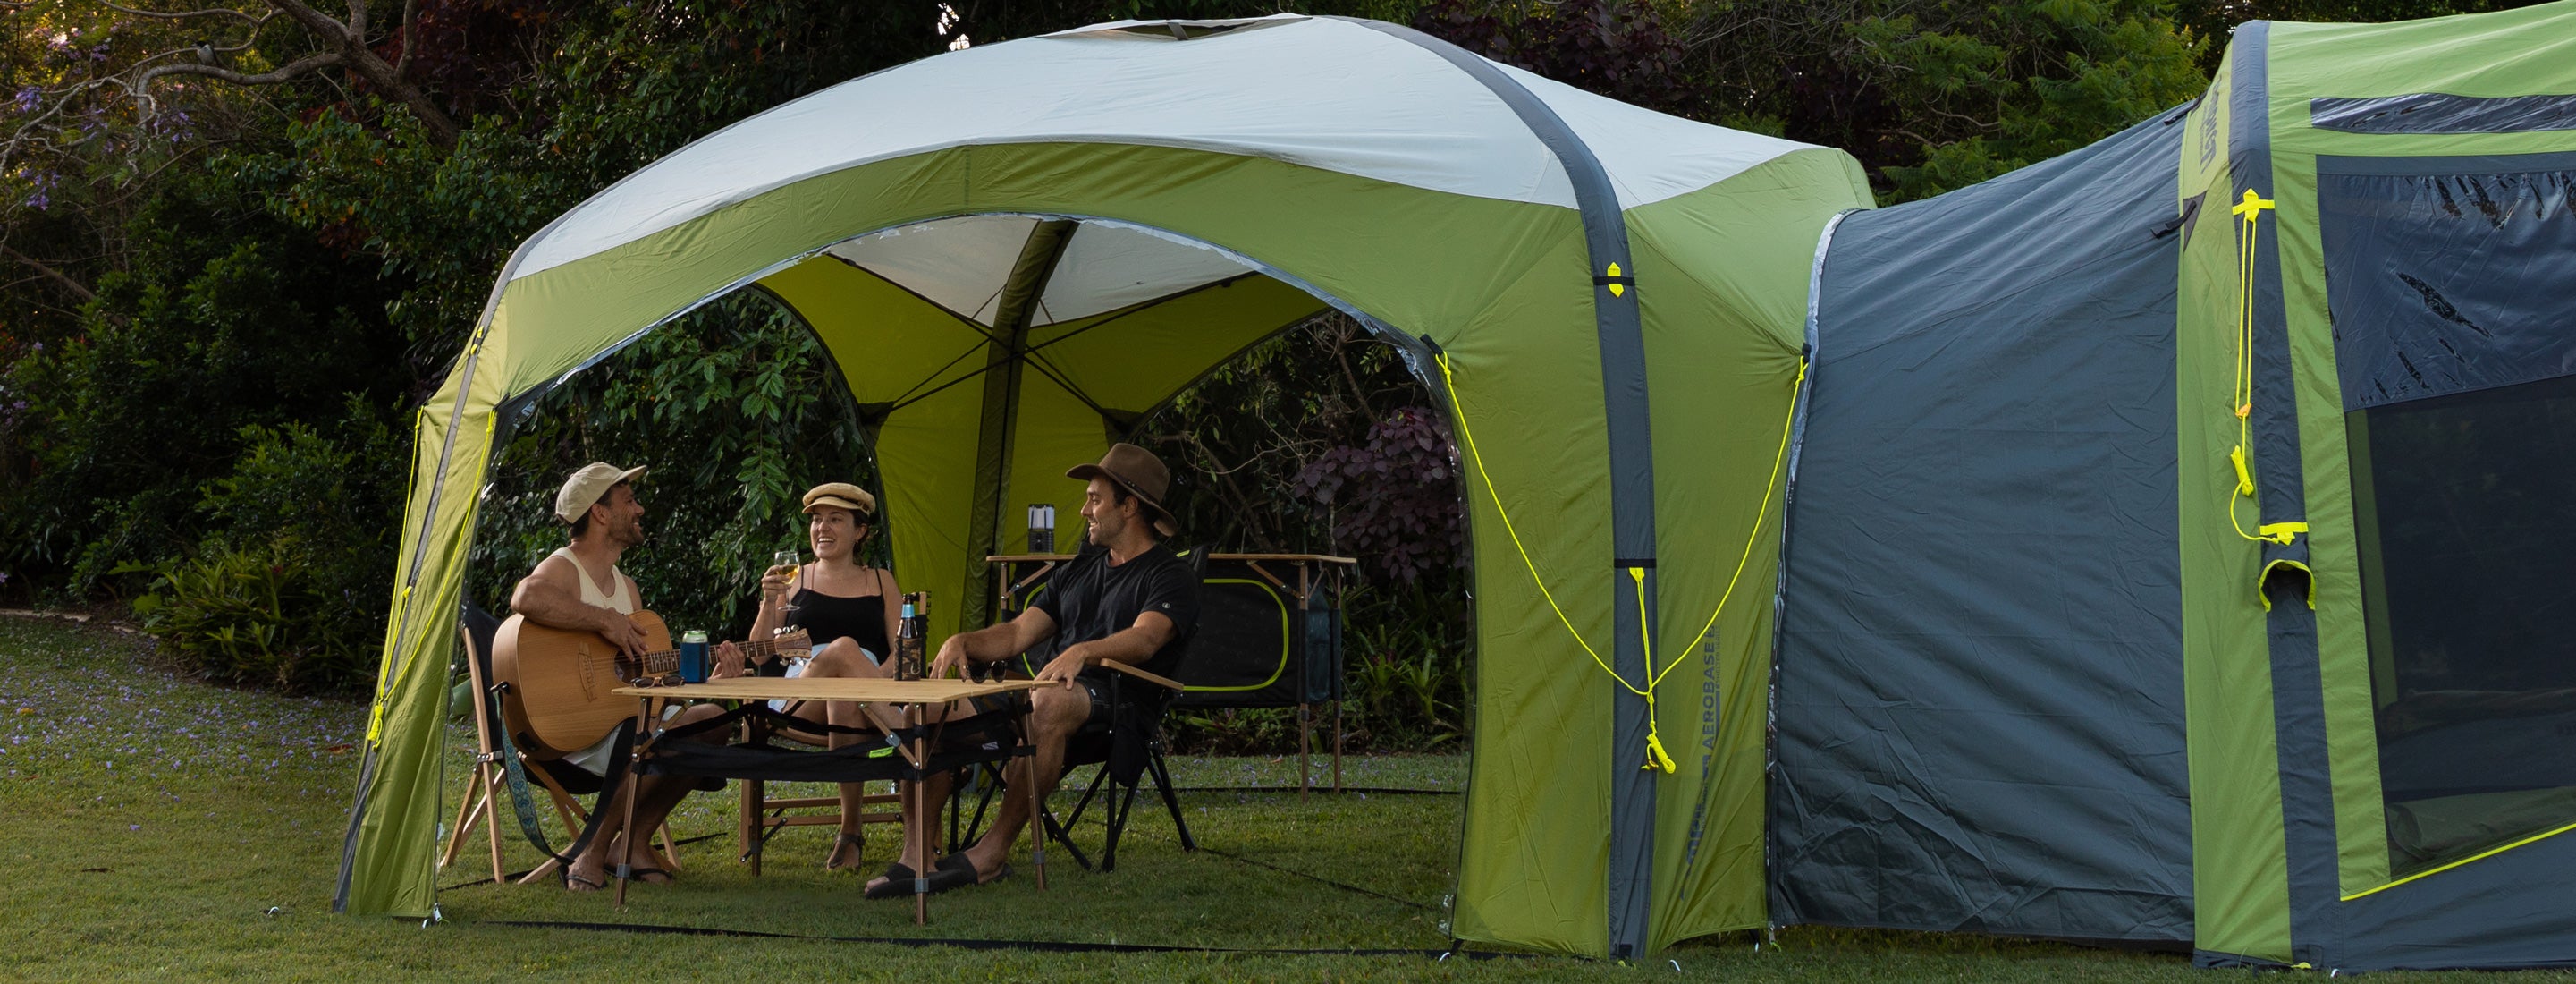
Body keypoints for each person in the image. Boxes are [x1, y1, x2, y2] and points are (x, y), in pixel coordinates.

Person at [907, 442, 1200, 895]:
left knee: (1049, 701)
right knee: (934, 707)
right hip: (1045, 692)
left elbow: (1148, 638)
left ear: (1130, 506)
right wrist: (963, 640)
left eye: (1095, 499)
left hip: (1116, 702)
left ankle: (992, 853)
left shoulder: (1168, 576)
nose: (1084, 510)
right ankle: (920, 855)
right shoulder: (1079, 571)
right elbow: (1019, 633)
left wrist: (1084, 651)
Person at [508, 462, 739, 891]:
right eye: (629, 500)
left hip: (622, 725)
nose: (641, 509)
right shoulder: (566, 568)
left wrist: (711, 682)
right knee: (643, 732)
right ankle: (592, 851)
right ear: (599, 512)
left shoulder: (626, 587)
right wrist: (603, 620)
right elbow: (526, 595)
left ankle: (632, 843)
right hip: (572, 736)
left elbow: (645, 682)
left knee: (711, 719)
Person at [715, 481, 907, 871]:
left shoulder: (881, 581)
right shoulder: (793, 579)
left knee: (845, 691)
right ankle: (910, 738)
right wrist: (770, 604)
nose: (823, 528)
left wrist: (878, 680)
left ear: (860, 531)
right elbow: (763, 649)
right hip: (799, 698)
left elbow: (902, 648)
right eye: (817, 520)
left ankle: (850, 833)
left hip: (859, 700)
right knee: (843, 649)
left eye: (836, 519)